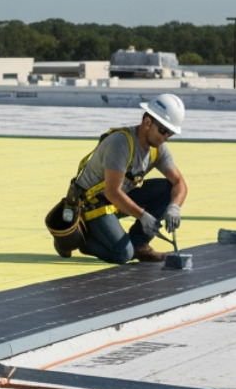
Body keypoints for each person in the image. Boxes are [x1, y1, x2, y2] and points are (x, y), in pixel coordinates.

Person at [55, 94, 189, 264]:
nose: (165, 137)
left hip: (116, 199)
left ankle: (139, 245)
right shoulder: (121, 143)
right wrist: (142, 216)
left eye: (170, 133)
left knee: (169, 190)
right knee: (123, 255)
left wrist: (174, 207)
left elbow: (179, 183)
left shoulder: (158, 148)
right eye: (163, 131)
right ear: (147, 123)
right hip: (92, 204)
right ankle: (76, 239)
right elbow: (112, 192)